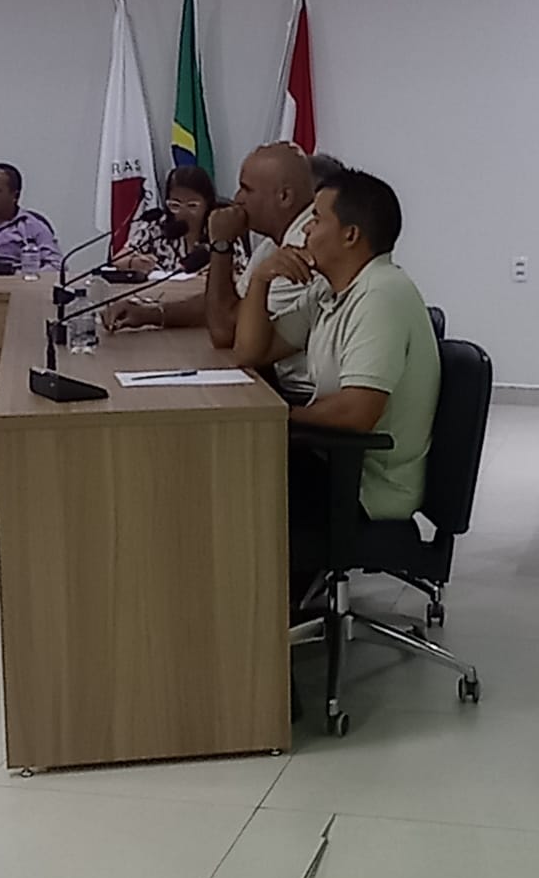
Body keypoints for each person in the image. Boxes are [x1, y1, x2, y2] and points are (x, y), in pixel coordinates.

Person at [234, 167, 440, 577]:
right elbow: (251, 351)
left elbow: (357, 412)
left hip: (365, 486)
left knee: (233, 477)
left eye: (316, 218)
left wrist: (281, 417)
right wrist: (260, 280)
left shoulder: (380, 295)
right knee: (231, 464)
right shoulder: (329, 291)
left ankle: (256, 606)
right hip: (334, 462)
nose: (306, 230)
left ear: (350, 235)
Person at [205, 141, 320, 398]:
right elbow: (233, 300)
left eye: (247, 189)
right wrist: (156, 313)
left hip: (302, 396)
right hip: (275, 384)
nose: (237, 199)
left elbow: (226, 330)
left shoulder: (303, 249)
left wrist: (221, 245)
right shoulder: (273, 244)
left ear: (284, 197)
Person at [105, 166, 247, 331]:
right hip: (161, 302)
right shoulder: (158, 227)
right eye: (175, 205)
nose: (183, 213)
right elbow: (117, 258)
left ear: (207, 204)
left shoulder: (222, 230)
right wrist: (133, 262)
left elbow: (242, 276)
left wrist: (218, 274)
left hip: (201, 313)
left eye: (192, 205)